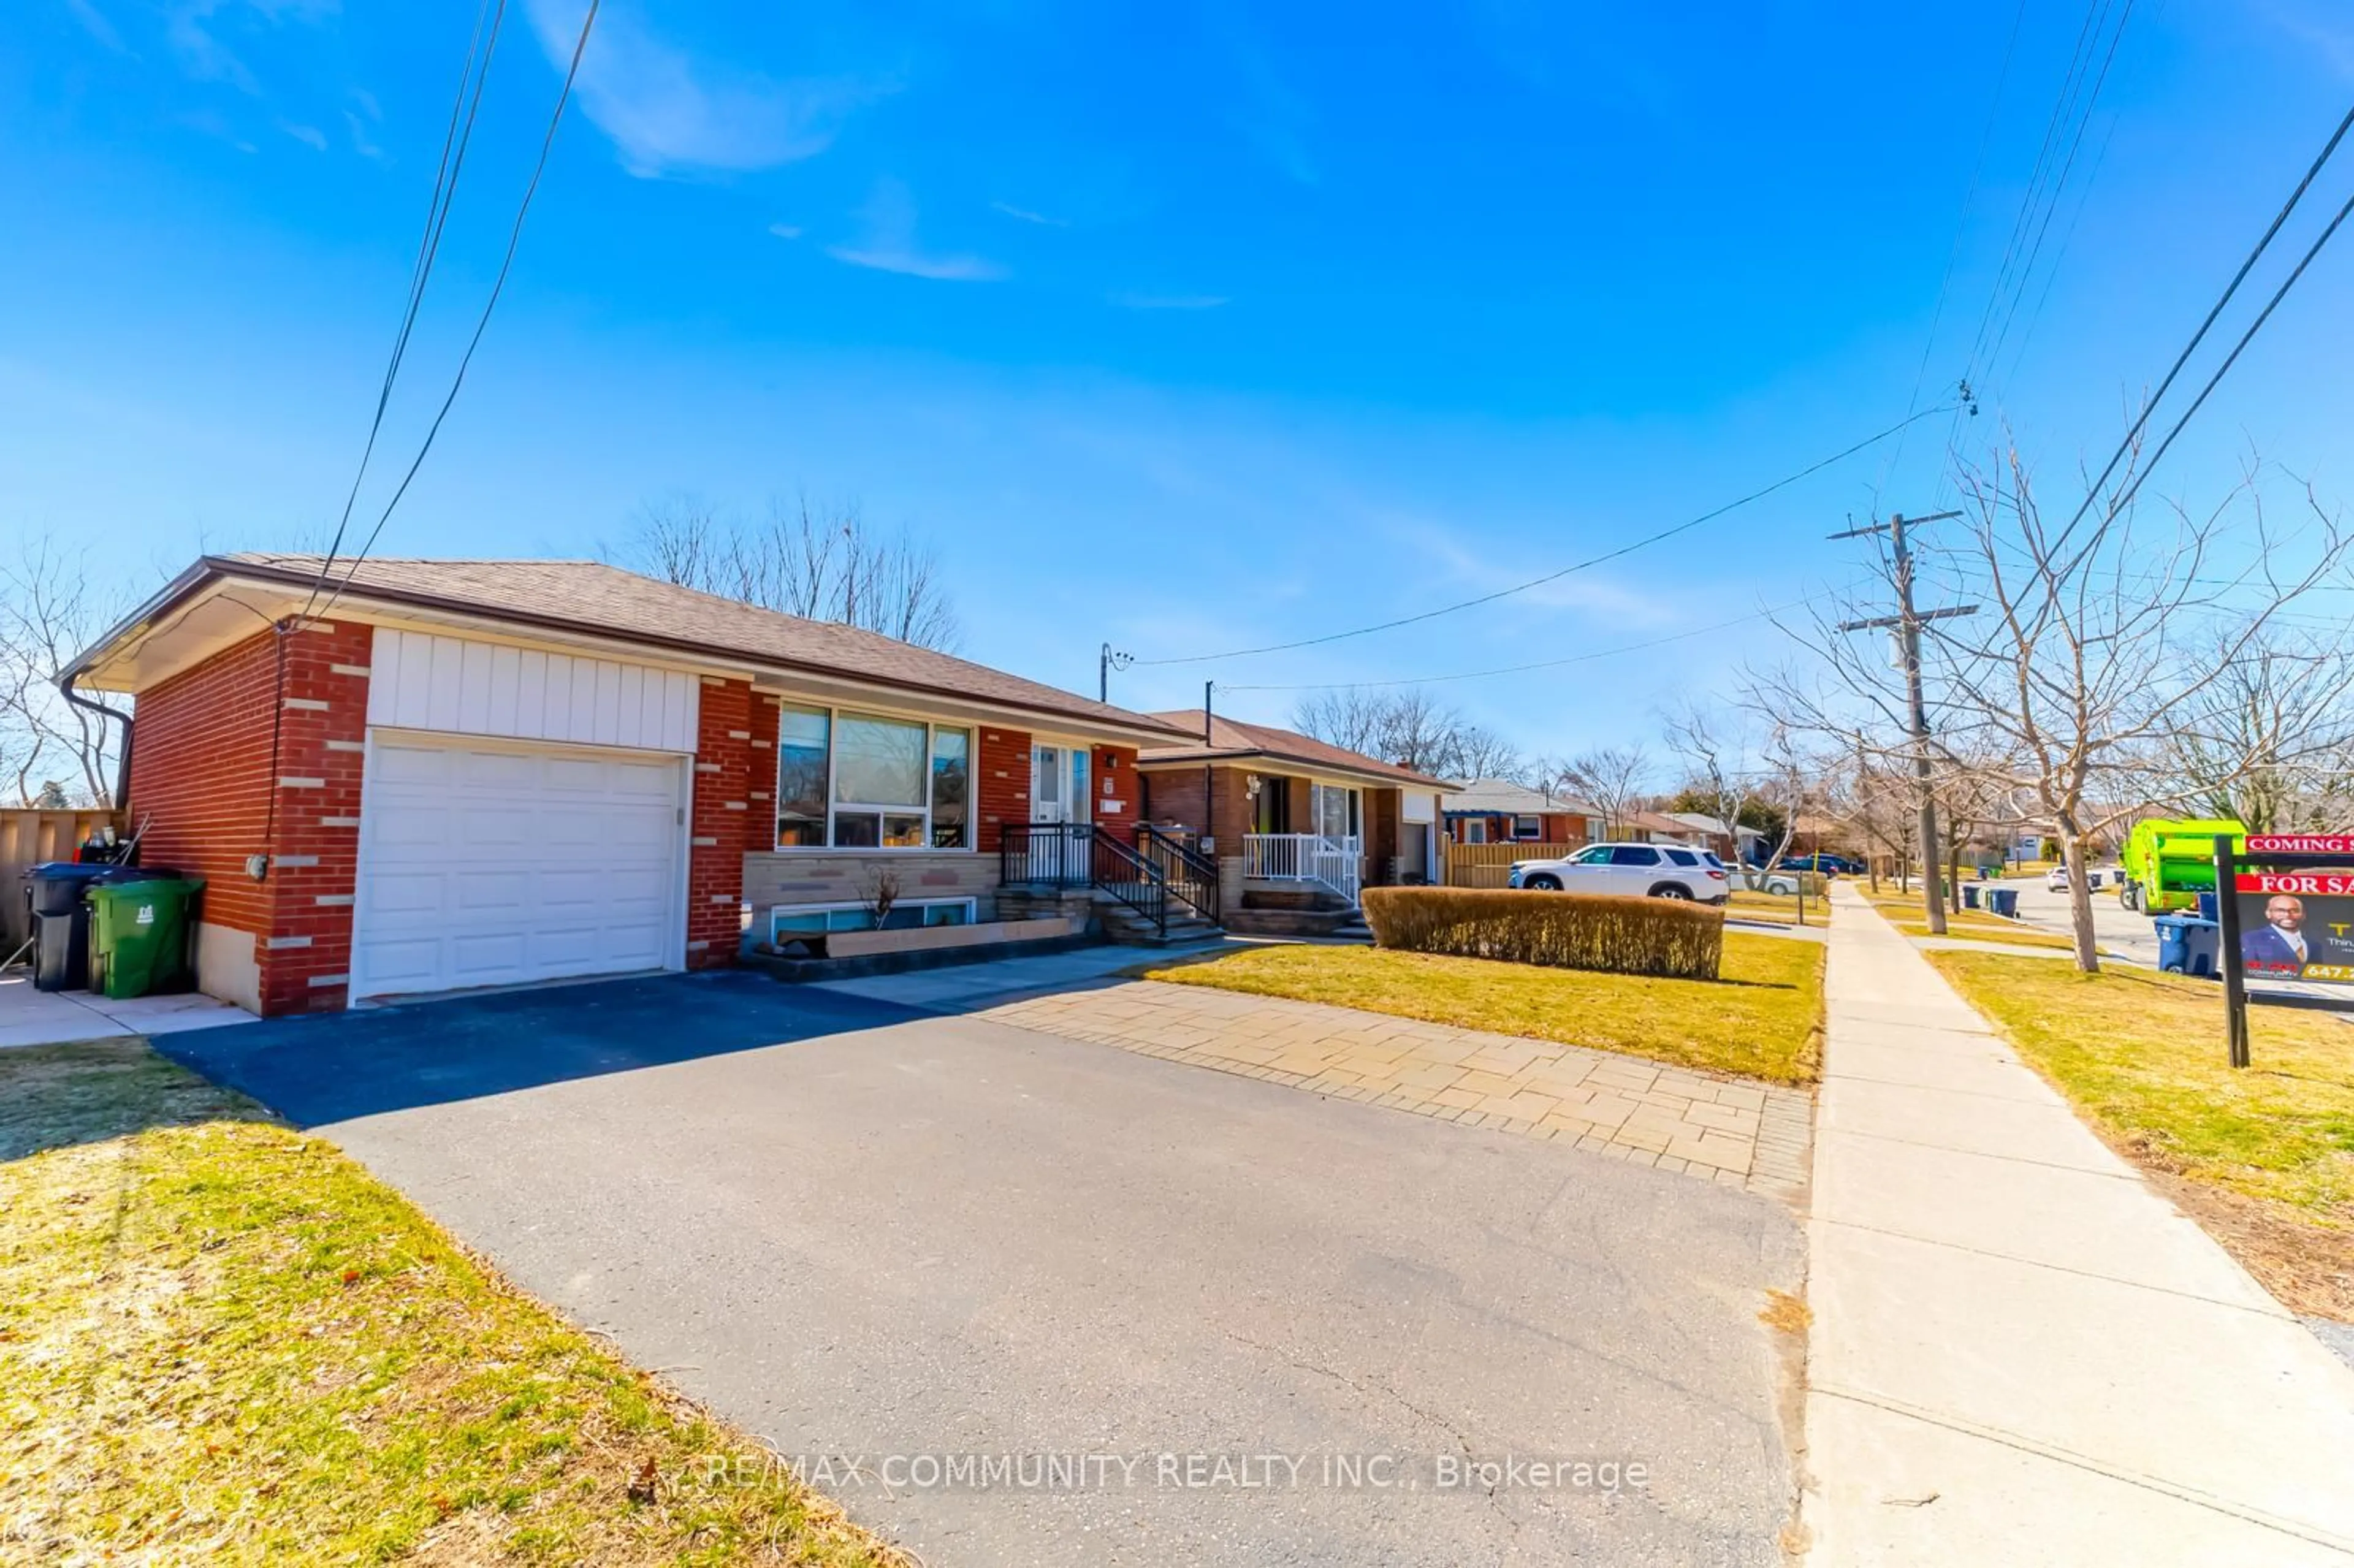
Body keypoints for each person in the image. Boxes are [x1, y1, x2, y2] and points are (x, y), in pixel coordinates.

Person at [2239, 893, 2309, 976]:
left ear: (2303, 915)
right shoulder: (2251, 939)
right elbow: (2248, 972)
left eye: (2294, 911)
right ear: (2268, 914)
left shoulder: (2314, 944)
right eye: (2280, 910)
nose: (2288, 915)